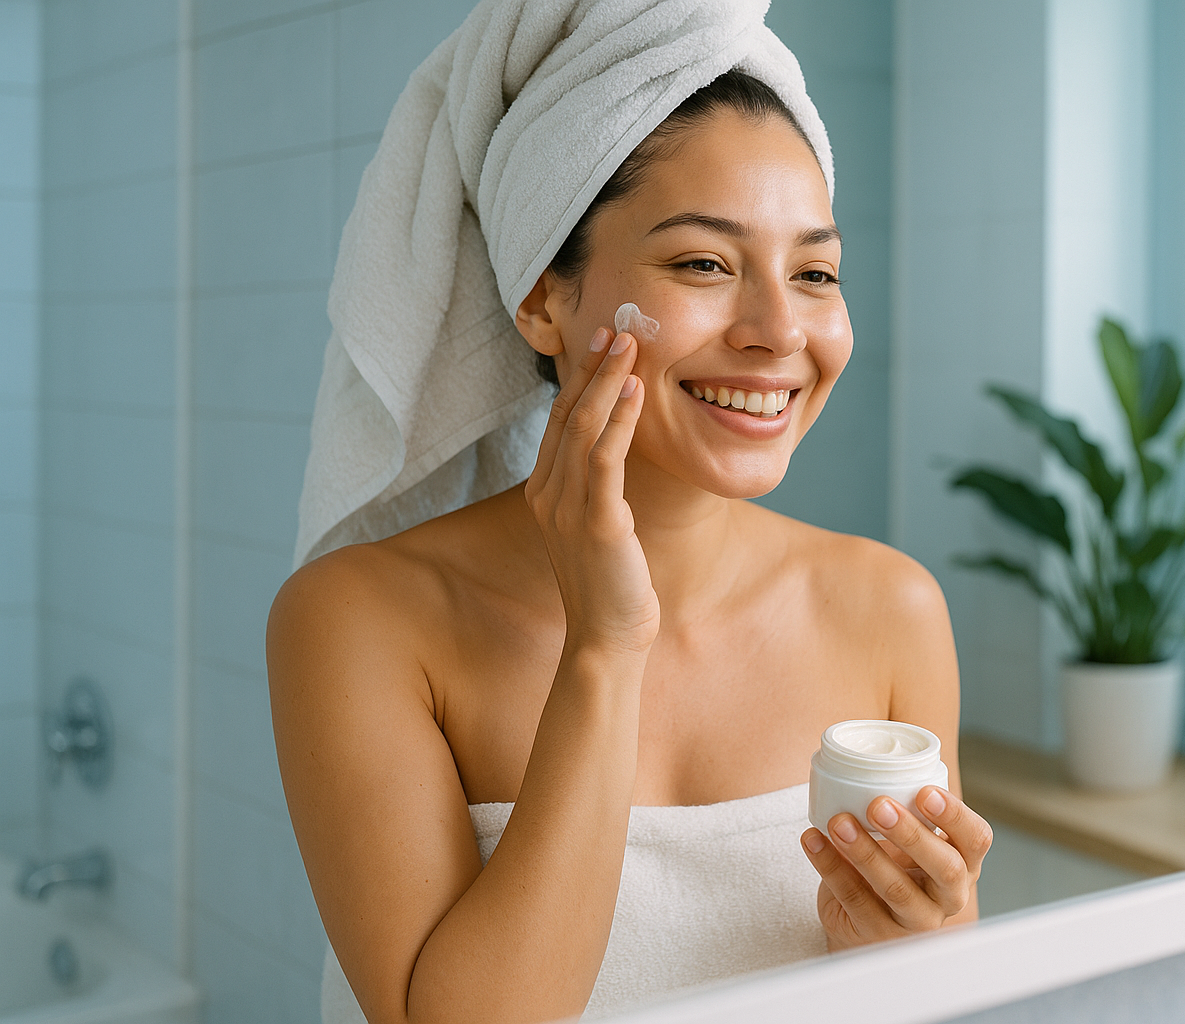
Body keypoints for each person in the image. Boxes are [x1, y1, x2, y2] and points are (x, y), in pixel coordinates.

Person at [267, 2, 991, 1022]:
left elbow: (926, 995)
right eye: (704, 263)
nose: (780, 330)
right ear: (542, 297)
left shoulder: (889, 609)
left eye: (815, 272)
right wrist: (604, 648)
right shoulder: (361, 620)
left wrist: (929, 940)